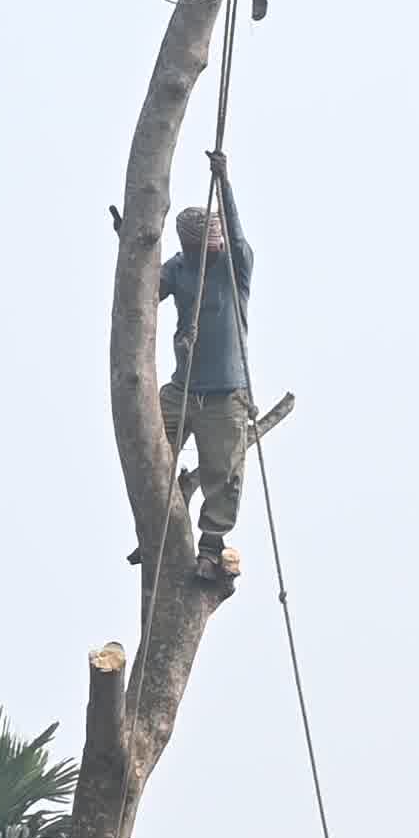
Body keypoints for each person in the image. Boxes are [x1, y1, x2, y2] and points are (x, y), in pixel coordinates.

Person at [159, 153, 254, 586]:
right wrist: (133, 246)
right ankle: (155, 523)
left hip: (225, 394)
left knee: (224, 473)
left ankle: (210, 548)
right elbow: (142, 287)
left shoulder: (233, 269)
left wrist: (225, 184)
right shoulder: (180, 269)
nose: (213, 249)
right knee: (150, 444)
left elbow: (236, 239)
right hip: (184, 389)